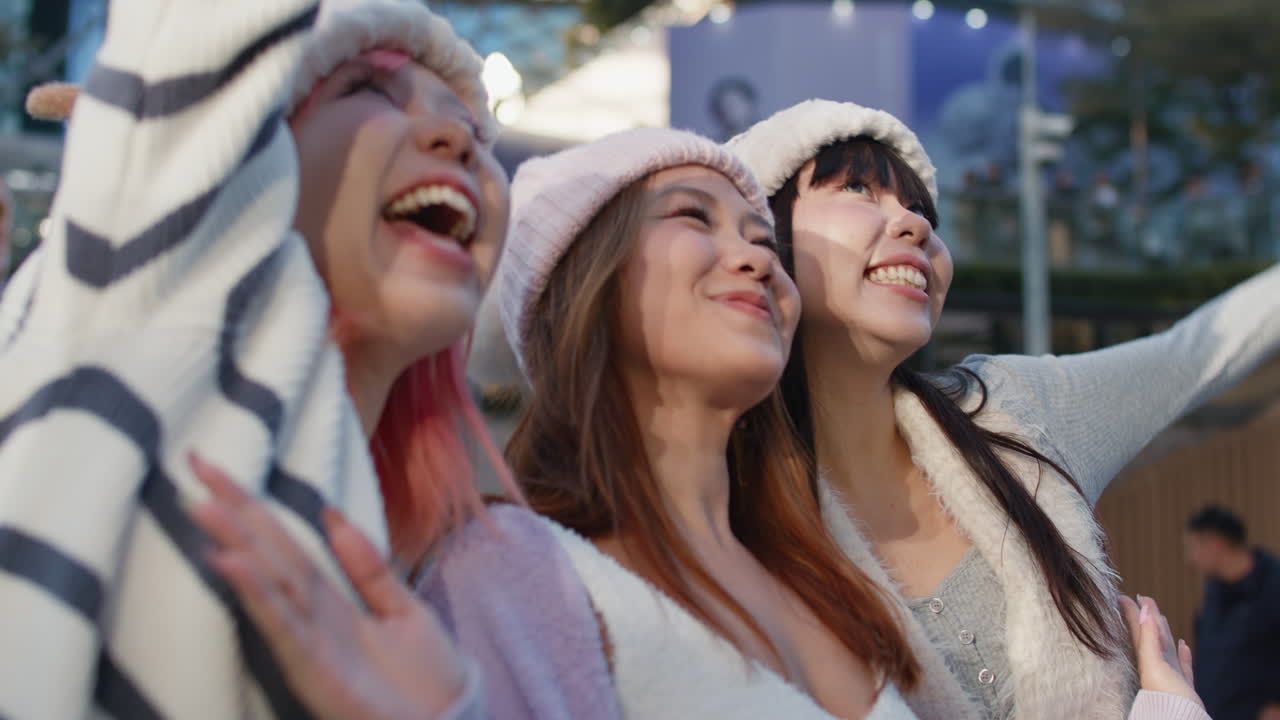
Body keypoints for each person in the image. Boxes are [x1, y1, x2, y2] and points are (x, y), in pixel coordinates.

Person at [195, 126, 1210, 720]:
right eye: (693, 219)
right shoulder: (516, 570)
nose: (754, 258)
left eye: (762, 236)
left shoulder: (816, 580)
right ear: (579, 288)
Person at [0, 0, 518, 716]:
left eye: (473, 128)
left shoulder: (424, 591)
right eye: (367, 89)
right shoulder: (139, 308)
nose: (459, 141)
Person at [728, 98, 1277, 719]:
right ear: (758, 236)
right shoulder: (720, 517)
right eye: (858, 188)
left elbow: (1196, 353)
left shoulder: (1012, 412)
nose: (914, 226)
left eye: (920, 211)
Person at [1185, 506, 1280, 720]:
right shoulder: (1212, 597)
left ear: (1215, 543)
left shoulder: (1273, 587)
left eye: (1194, 547)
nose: (1191, 559)